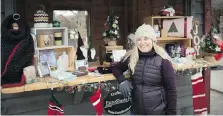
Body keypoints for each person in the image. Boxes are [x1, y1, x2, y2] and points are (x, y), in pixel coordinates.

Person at [112, 24, 177, 115]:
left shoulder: (163, 61)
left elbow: (171, 91)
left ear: (153, 40)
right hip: (136, 112)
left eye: (146, 38)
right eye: (139, 39)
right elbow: (116, 68)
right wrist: (121, 80)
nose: (142, 43)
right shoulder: (132, 57)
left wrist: (171, 114)